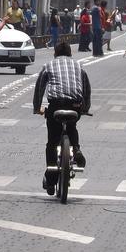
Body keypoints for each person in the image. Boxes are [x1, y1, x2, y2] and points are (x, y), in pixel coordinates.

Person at [32, 41, 91, 195]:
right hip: (74, 106)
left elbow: (39, 88)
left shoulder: (49, 65)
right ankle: (76, 149)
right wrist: (85, 108)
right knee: (72, 126)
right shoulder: (79, 66)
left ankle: (51, 180)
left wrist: (37, 107)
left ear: (55, 53)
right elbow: (86, 89)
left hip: (55, 106)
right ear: (71, 53)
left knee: (52, 142)